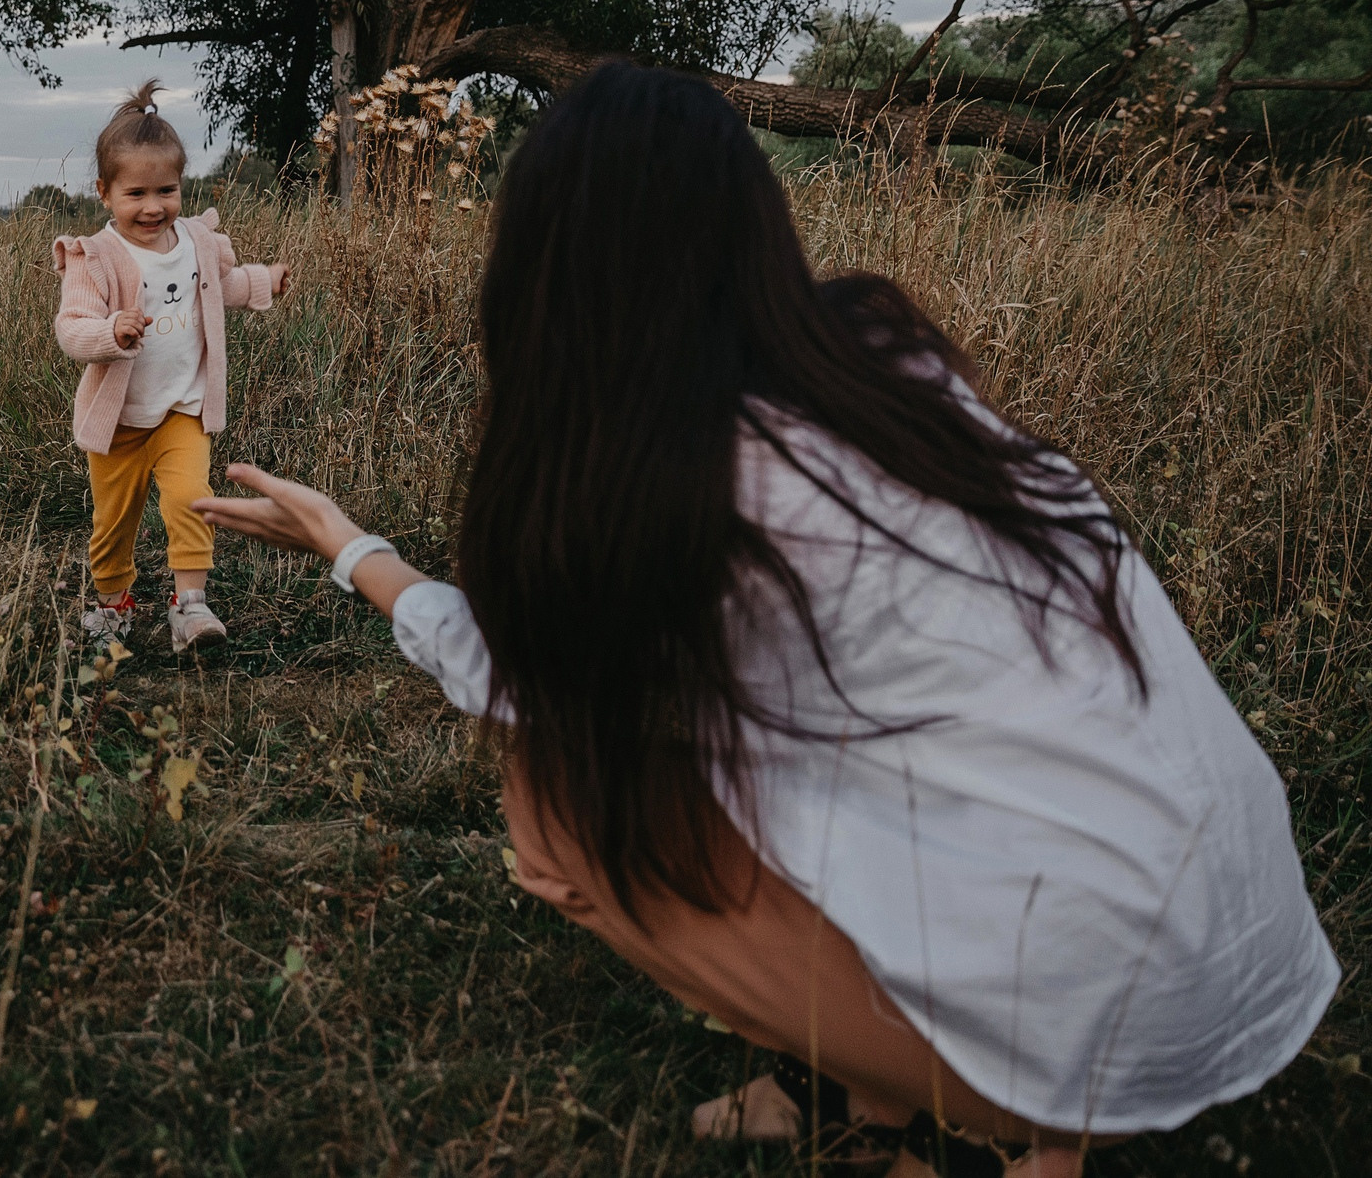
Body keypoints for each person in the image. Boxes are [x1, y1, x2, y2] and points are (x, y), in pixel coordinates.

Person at [195, 62, 1336, 1177]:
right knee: (764, 752)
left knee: (557, 802)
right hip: (1234, 941)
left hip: (1095, 1016)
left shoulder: (690, 477)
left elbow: (525, 682)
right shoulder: (883, 368)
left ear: (542, 268)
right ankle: (856, 1091)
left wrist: (350, 548)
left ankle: (974, 1117)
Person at [53, 81, 289, 654]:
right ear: (104, 193)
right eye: (135, 193)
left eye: (167, 190)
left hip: (183, 407)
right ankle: (113, 605)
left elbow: (221, 287)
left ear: (183, 186)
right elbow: (72, 327)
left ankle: (191, 605)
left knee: (190, 499)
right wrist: (111, 331)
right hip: (120, 422)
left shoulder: (195, 242)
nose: (153, 206)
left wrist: (263, 281)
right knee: (114, 522)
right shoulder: (96, 257)